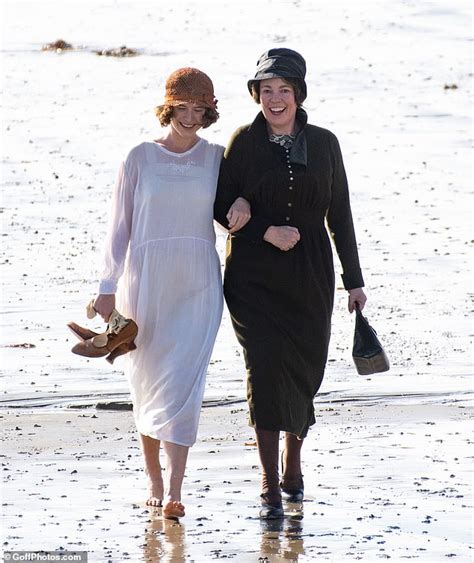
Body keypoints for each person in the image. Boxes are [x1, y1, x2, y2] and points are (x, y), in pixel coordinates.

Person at [90, 67, 250, 519]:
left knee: (183, 382)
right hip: (144, 282)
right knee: (147, 381)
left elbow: (233, 208)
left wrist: (242, 203)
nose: (192, 117)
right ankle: (154, 481)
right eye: (184, 107)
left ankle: (176, 486)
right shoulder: (139, 157)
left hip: (198, 282)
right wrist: (106, 286)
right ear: (169, 106)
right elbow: (118, 228)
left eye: (201, 109)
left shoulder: (217, 158)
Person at [214, 48, 367, 519]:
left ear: (299, 94)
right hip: (253, 277)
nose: (275, 99)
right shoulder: (242, 141)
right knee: (264, 368)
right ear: (256, 95)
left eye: (283, 90)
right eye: (266, 90)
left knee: (304, 369)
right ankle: (268, 481)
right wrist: (259, 226)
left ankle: (293, 463)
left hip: (310, 274)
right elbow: (220, 206)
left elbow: (339, 214)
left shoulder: (325, 143)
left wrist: (354, 282)